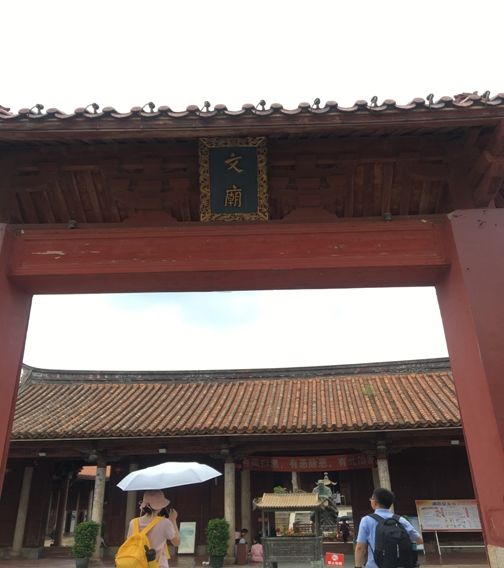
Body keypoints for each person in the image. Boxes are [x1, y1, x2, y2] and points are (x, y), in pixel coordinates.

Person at [355, 488, 423, 568]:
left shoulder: (366, 520)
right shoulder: (400, 520)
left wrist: (358, 566)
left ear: (374, 502)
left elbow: (360, 547)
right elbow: (419, 540)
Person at [127, 490, 181, 568]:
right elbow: (176, 542)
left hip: (138, 564)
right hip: (158, 565)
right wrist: (173, 520)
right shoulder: (164, 523)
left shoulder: (133, 522)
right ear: (160, 506)